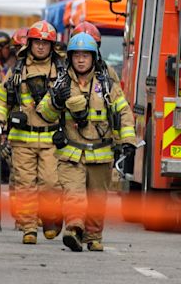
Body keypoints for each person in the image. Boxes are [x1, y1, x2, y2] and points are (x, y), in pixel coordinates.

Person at [37, 33, 136, 252]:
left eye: (86, 55)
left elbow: (123, 111)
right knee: (74, 195)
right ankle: (73, 229)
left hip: (100, 153)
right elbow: (44, 113)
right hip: (71, 153)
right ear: (70, 57)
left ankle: (93, 236)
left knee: (97, 199)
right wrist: (55, 100)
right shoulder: (62, 82)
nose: (81, 60)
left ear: (94, 57)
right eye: (77, 55)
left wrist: (128, 140)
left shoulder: (107, 84)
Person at [0, 20, 65, 245]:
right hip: (22, 139)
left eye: (45, 42)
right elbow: (0, 97)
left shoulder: (62, 70)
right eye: (37, 42)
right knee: (24, 185)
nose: (41, 47)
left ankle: (50, 217)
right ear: (29, 44)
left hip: (52, 139)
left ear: (52, 46)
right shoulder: (18, 70)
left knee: (51, 183)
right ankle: (29, 227)